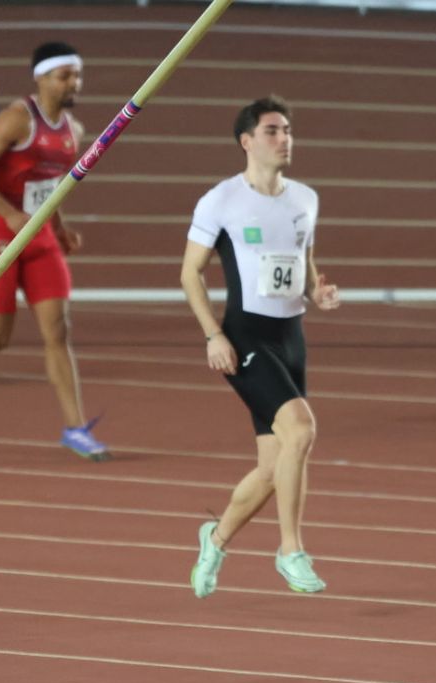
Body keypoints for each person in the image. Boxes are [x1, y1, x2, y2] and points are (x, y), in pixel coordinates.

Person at [179, 96, 341, 597]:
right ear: (247, 141)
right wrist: (214, 335)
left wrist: (317, 289)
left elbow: (304, 258)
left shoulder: (306, 199)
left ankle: (216, 538)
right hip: (244, 335)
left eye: (288, 129)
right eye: (273, 130)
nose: (284, 138)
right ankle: (291, 550)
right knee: (301, 431)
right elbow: (190, 274)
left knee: (275, 467)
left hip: (291, 336)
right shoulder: (220, 201)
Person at [0, 41, 109, 460]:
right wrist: (8, 215)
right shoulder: (16, 120)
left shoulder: (74, 132)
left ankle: (75, 428)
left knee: (58, 332)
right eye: (65, 76)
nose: (73, 83)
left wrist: (61, 229)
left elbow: (54, 185)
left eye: (77, 75)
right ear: (41, 78)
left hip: (40, 235)